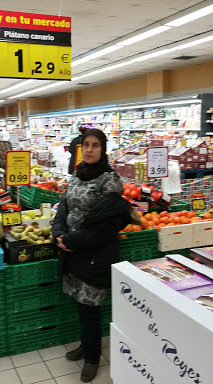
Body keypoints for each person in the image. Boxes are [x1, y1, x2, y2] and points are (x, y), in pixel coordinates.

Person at [52, 129, 132, 382]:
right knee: (80, 301)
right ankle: (86, 345)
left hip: (95, 254)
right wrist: (58, 232)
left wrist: (70, 240)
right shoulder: (76, 175)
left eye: (95, 145)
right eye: (86, 145)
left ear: (103, 149)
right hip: (72, 252)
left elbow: (106, 227)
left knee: (90, 306)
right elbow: (62, 208)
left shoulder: (110, 181)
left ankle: (92, 358)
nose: (89, 149)